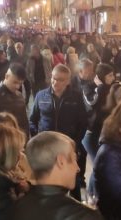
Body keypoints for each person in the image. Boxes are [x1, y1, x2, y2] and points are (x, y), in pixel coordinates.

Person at [9, 131, 103, 220]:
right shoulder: (83, 215)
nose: (77, 168)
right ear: (61, 161)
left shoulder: (16, 207)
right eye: (74, 159)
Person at [29, 64, 87, 200]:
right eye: (54, 78)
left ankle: (75, 205)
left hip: (67, 147)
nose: (56, 82)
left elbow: (83, 122)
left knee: (73, 180)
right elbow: (32, 120)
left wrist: (75, 143)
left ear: (68, 81)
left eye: (60, 79)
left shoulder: (76, 97)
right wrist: (37, 137)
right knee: (48, 180)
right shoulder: (41, 96)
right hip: (46, 148)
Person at [0, 63, 30, 136]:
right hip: (1, 143)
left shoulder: (19, 96)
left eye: (20, 83)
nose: (17, 86)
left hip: (18, 142)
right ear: (6, 76)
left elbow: (24, 124)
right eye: (15, 82)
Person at [81, 63, 115, 161]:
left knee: (106, 164)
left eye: (113, 75)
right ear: (101, 77)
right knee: (98, 163)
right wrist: (100, 87)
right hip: (92, 133)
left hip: (106, 131)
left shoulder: (111, 87)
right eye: (110, 75)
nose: (112, 78)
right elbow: (92, 102)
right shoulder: (88, 87)